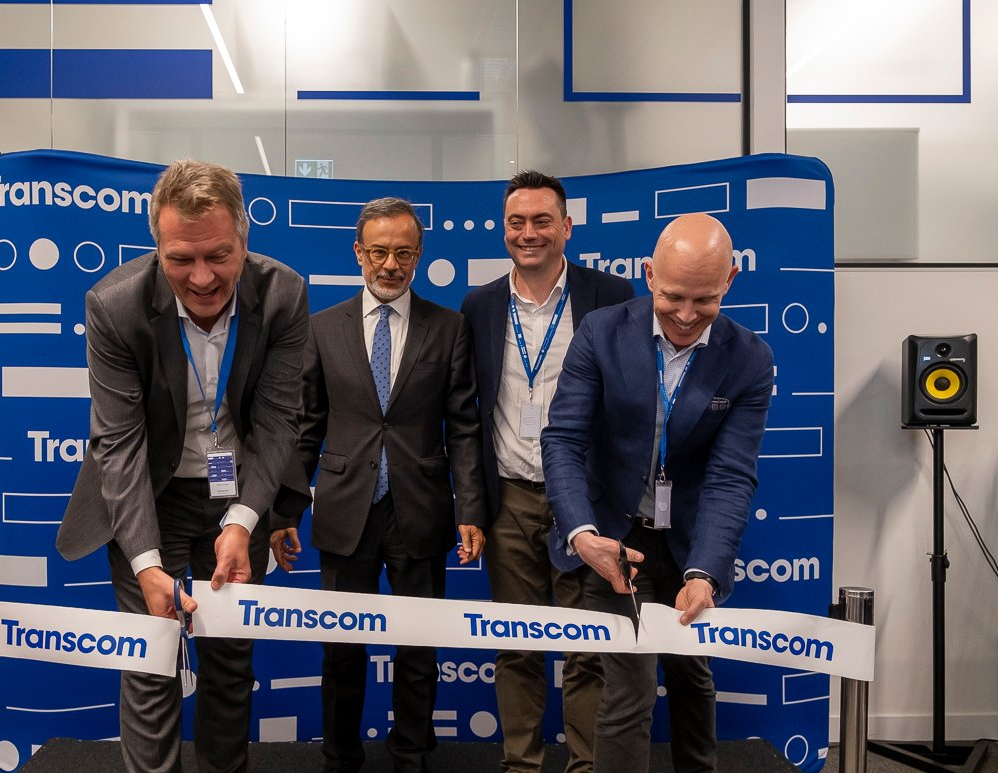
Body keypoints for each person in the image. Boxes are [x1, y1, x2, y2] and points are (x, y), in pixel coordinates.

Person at [56, 159, 310, 773]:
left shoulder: (283, 294)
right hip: (150, 497)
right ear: (157, 247)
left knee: (230, 662)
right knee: (151, 662)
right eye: (180, 259)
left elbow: (278, 422)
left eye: (218, 255)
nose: (201, 278)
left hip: (237, 494)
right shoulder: (114, 305)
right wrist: (146, 564)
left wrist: (243, 522)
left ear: (244, 239)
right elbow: (119, 444)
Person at [541, 213, 774, 773]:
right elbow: (564, 439)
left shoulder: (749, 358)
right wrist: (582, 535)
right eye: (673, 297)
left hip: (689, 542)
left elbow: (730, 475)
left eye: (705, 299)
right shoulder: (600, 333)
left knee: (692, 672)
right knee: (630, 685)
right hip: (614, 540)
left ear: (730, 281)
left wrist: (705, 573)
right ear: (648, 275)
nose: (687, 315)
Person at [270, 197, 485, 773]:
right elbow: (306, 428)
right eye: (380, 252)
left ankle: (411, 755)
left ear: (420, 255)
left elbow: (464, 428)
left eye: (404, 253)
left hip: (422, 510)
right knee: (342, 650)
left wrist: (470, 509)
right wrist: (284, 513)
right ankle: (340, 757)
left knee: (419, 648)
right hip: (345, 513)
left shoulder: (450, 328)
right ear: (358, 253)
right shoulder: (322, 328)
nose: (391, 265)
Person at [459, 170, 633, 773]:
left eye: (541, 221)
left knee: (589, 649)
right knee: (516, 645)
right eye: (516, 222)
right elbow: (468, 414)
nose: (527, 233)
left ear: (567, 227)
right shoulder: (480, 305)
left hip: (586, 502)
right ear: (503, 228)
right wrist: (471, 506)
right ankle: (522, 765)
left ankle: (586, 766)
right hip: (509, 499)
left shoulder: (611, 296)